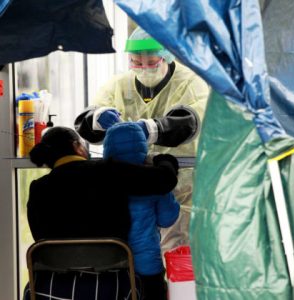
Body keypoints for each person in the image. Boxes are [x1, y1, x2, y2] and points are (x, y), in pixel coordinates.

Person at [74, 26, 210, 252]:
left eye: (151, 62)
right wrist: (98, 118)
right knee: (134, 256)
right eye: (136, 63)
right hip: (131, 186)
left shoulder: (190, 82)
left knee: (179, 258)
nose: (143, 69)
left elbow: (190, 121)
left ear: (166, 56)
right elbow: (85, 121)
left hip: (182, 190)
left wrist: (151, 129)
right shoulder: (119, 85)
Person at [23, 126, 179, 300]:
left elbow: (40, 238)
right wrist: (165, 160)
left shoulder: (38, 188)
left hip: (53, 288)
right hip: (112, 285)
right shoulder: (106, 171)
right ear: (77, 146)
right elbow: (164, 180)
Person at [103, 122, 180, 300]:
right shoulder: (153, 181)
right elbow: (168, 218)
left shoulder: (101, 179)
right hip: (147, 265)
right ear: (142, 147)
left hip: (110, 264)